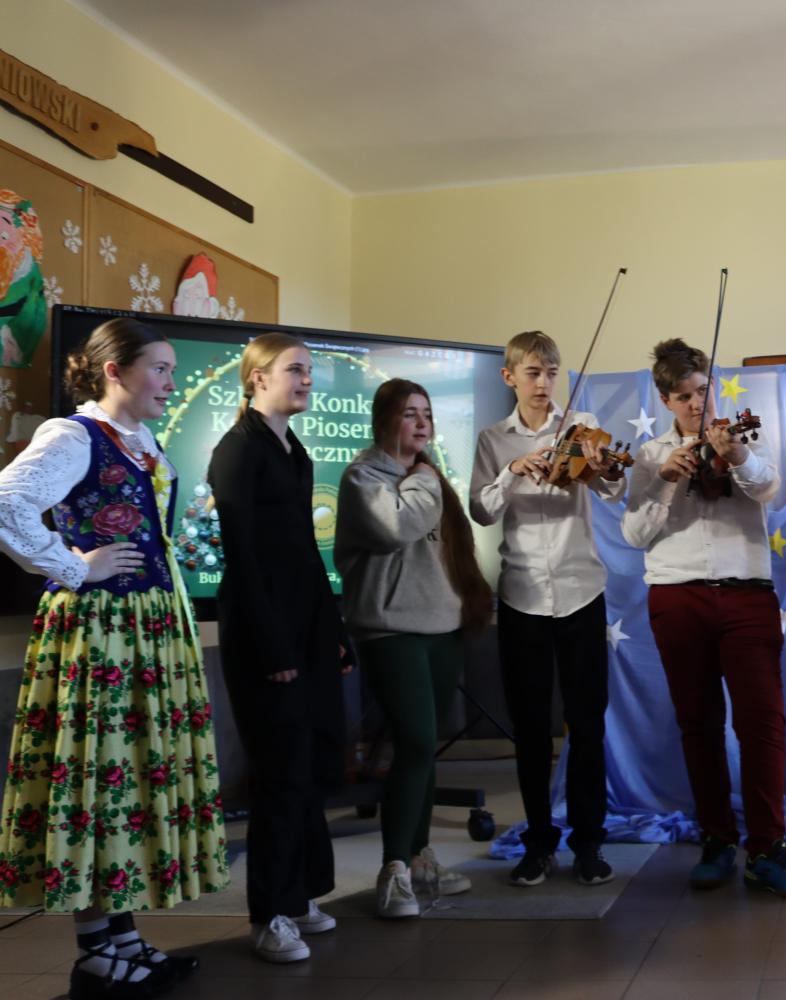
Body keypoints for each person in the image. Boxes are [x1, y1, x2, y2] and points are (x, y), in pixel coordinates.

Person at [0, 317, 228, 999]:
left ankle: (121, 938)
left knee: (126, 776)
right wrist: (76, 567)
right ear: (113, 370)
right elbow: (6, 503)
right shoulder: (74, 437)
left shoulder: (142, 441)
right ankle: (96, 953)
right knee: (100, 776)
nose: (170, 382)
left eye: (171, 370)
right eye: (159, 368)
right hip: (101, 632)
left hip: (144, 629)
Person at [620, 338, 786, 899]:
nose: (697, 403)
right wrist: (665, 479)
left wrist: (736, 457)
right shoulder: (649, 455)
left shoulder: (743, 437)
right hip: (677, 596)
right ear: (665, 400)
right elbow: (634, 535)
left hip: (747, 591)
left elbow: (769, 489)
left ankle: (768, 848)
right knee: (698, 722)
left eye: (703, 390)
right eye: (683, 396)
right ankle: (717, 838)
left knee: (762, 721)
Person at [208, 333, 352, 962]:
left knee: (313, 764)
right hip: (265, 636)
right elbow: (242, 557)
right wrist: (274, 649)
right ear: (258, 378)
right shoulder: (238, 450)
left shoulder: (295, 449)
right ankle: (267, 914)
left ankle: (299, 897)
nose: (307, 380)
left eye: (310, 371)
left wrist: (333, 633)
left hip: (306, 630)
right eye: (296, 369)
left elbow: (304, 554)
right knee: (281, 771)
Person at [469, 331, 623, 887]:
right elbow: (481, 510)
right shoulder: (493, 439)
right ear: (509, 376)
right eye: (533, 372)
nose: (543, 383)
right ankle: (538, 842)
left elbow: (612, 490)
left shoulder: (580, 426)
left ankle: (589, 842)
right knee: (531, 728)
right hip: (522, 595)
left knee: (587, 723)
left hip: (581, 590)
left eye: (551, 372)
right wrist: (513, 472)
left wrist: (605, 469)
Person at [336, 378, 491, 916]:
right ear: (384, 420)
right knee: (416, 741)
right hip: (390, 629)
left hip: (441, 627)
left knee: (422, 750)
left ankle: (420, 858)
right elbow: (396, 527)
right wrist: (425, 478)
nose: (422, 423)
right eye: (409, 413)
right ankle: (394, 871)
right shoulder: (364, 476)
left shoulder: (427, 477)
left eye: (426, 413)